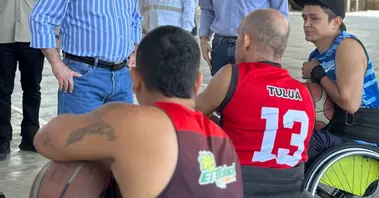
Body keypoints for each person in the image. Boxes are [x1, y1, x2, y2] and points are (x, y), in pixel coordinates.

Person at [33, 26, 243, 198]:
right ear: (198, 82)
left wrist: (105, 152)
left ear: (135, 79)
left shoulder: (131, 122)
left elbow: (45, 138)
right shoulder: (224, 141)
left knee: (62, 178)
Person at [195, 9, 315, 197]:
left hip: (238, 187)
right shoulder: (304, 94)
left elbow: (192, 113)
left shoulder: (233, 76)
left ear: (246, 41)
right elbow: (256, 132)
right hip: (291, 189)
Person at [292, 0, 379, 162]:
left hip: (359, 141)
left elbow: (350, 105)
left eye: (314, 18)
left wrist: (317, 73)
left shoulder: (347, 45)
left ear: (336, 22)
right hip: (336, 133)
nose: (306, 24)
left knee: (293, 140)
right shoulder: (315, 57)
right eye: (304, 18)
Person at [0, 0, 55, 159]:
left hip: (34, 39)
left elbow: (54, 7)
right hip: (2, 39)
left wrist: (54, 40)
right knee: (1, 92)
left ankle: (30, 139)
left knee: (32, 89)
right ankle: (2, 141)